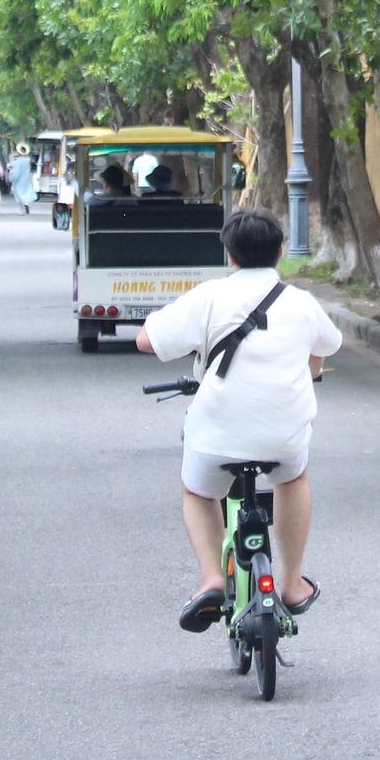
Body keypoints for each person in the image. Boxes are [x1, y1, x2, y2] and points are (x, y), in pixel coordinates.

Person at [138, 209, 341, 629]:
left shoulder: (208, 297)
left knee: (197, 492)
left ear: (229, 255)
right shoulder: (301, 302)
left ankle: (212, 579)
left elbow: (147, 340)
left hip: (216, 434)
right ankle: (291, 582)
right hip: (283, 437)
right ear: (281, 252)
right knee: (292, 479)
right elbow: (323, 351)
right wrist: (310, 369)